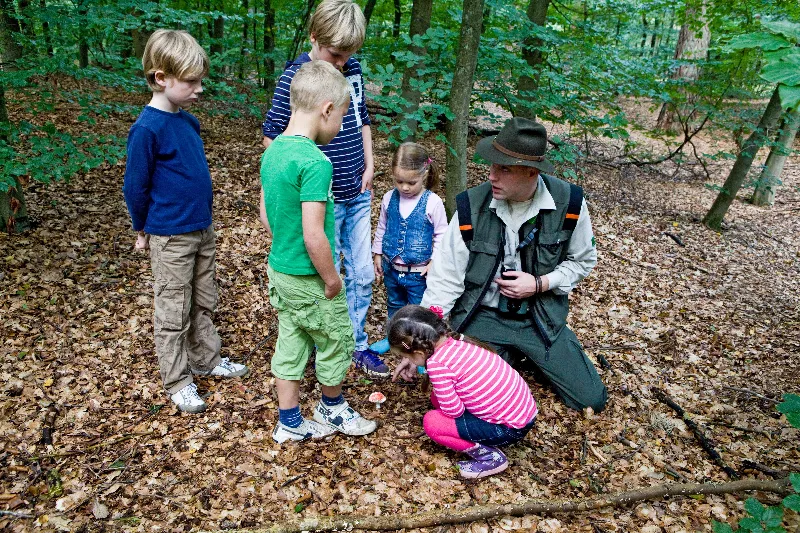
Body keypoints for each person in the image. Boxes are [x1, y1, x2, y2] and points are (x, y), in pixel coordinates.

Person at [420, 117, 607, 413]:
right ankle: (504, 354)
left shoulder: (569, 204)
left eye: (504, 168)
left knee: (590, 400)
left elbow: (583, 261)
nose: (491, 175)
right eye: (492, 164)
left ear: (532, 172)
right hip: (482, 317)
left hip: (539, 319)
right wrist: (425, 335)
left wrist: (539, 284)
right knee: (454, 399)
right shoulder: (472, 206)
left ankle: (521, 354)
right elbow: (445, 277)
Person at [122, 30, 249, 414]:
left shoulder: (188, 122)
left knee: (204, 298)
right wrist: (142, 228)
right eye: (191, 81)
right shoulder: (147, 129)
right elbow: (135, 186)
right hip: (169, 234)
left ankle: (207, 359)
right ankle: (178, 380)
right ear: (161, 78)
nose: (199, 88)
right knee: (173, 308)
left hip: (201, 228)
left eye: (200, 80)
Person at [261, 0, 388, 378]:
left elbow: (363, 117)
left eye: (349, 55)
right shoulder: (296, 78)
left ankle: (356, 341)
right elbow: (274, 138)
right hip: (321, 201)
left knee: (363, 273)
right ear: (315, 37)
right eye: (335, 54)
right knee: (326, 273)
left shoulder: (352, 70)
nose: (342, 63)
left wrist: (370, 161)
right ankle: (324, 341)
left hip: (357, 190)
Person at [259, 60, 377, 443]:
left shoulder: (274, 151)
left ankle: (289, 422)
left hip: (281, 270)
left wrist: (283, 243)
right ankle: (333, 408)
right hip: (310, 276)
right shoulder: (315, 162)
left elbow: (265, 213)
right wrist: (331, 279)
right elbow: (315, 236)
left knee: (292, 340)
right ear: (326, 109)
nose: (343, 127)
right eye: (342, 117)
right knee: (334, 339)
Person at [389, 305, 537, 479]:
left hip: (508, 429)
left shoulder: (438, 365)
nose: (408, 360)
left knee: (432, 423)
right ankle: (474, 429)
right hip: (525, 414)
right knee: (437, 398)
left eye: (408, 356)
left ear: (420, 352)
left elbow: (454, 411)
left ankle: (490, 457)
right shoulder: (457, 342)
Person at [368, 143, 448, 354]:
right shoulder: (388, 198)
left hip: (418, 272)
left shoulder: (433, 202)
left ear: (425, 174)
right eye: (399, 181)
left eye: (411, 182)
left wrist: (434, 261)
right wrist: (377, 253)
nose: (404, 187)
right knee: (394, 304)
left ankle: (421, 348)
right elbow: (382, 227)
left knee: (419, 313)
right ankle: (392, 338)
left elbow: (442, 234)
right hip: (392, 267)